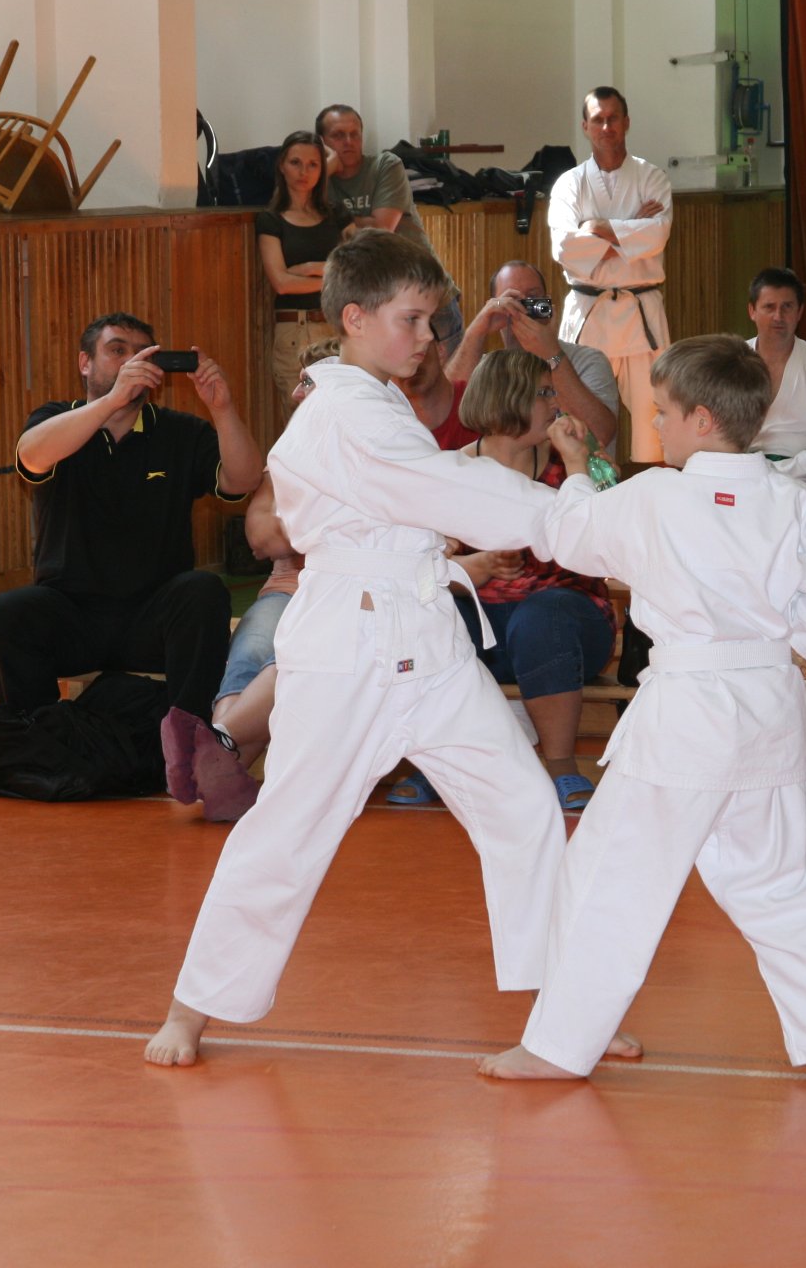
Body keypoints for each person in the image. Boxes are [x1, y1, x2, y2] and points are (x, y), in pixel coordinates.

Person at [144, 231, 579, 1070]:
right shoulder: (346, 413)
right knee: (291, 828)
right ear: (354, 318)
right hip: (349, 646)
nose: (427, 337)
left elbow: (434, 490)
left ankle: (567, 1013)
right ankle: (190, 1008)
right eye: (411, 319)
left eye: (432, 320)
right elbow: (450, 489)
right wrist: (575, 515)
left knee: (523, 807)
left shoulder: (372, 401)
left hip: (426, 638)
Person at [475, 334, 806, 1083]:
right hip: (768, 709)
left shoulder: (657, 497)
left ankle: (557, 1046)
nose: (655, 423)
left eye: (661, 411)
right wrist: (773, 628)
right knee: (784, 886)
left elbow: (571, 538)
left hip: (687, 713)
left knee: (608, 877)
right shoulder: (795, 504)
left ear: (700, 419)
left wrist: (576, 469)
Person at [0, 314, 263, 717]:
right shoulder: (56, 418)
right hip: (71, 616)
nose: (131, 361)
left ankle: (188, 735)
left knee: (203, 591)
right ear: (85, 363)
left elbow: (244, 480)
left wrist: (223, 408)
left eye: (142, 353)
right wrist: (112, 400)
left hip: (153, 619)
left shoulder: (180, 432)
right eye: (116, 351)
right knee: (6, 614)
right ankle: (39, 735)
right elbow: (31, 455)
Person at [163, 339, 337, 823]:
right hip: (285, 589)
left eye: (310, 383)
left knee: (298, 652)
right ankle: (224, 766)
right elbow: (262, 537)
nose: (297, 394)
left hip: (341, 594)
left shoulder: (373, 450)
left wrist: (295, 525)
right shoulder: (289, 455)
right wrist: (326, 523)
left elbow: (291, 534)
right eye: (300, 382)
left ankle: (217, 749)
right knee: (251, 653)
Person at [449, 348, 618, 811]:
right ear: (507, 399)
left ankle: (561, 764)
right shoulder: (453, 470)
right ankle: (442, 764)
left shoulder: (572, 455)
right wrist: (470, 566)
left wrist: (584, 458)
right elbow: (424, 560)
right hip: (487, 628)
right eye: (544, 393)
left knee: (543, 613)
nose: (556, 403)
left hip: (568, 627)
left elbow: (614, 529)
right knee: (437, 612)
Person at [548, 86, 673, 463]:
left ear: (626, 122)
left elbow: (657, 236)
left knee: (656, 421)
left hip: (640, 312)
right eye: (598, 119)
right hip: (591, 312)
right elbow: (565, 249)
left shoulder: (652, 178)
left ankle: (653, 488)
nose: (606, 126)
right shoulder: (569, 184)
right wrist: (631, 227)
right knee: (582, 416)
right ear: (585, 126)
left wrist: (598, 227)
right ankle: (588, 486)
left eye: (613, 118)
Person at [315, 104, 463, 353]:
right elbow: (305, 218)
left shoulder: (385, 165)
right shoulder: (319, 182)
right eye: (338, 135)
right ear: (322, 142)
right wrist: (323, 172)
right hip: (378, 305)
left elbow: (380, 231)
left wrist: (332, 220)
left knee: (452, 376)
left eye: (354, 134)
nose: (348, 142)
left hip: (429, 294)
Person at [444, 259, 619, 450]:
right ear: (493, 305)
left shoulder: (587, 360)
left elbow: (600, 434)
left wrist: (550, 353)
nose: (524, 309)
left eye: (533, 298)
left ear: (548, 305)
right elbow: (446, 415)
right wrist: (476, 332)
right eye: (512, 301)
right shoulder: (487, 368)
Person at [256, 131, 347, 418]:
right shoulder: (271, 219)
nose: (303, 172)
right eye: (295, 162)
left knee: (342, 416)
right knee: (302, 419)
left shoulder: (336, 214)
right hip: (296, 329)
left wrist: (309, 269)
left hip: (337, 325)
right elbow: (282, 283)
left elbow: (357, 266)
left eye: (313, 164)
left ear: (322, 170)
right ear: (282, 165)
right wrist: (332, 278)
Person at [742, 267, 806, 462]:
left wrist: (781, 471)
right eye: (769, 307)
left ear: (799, 312)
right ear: (752, 311)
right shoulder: (733, 361)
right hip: (742, 467)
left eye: (787, 307)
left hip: (799, 469)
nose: (778, 316)